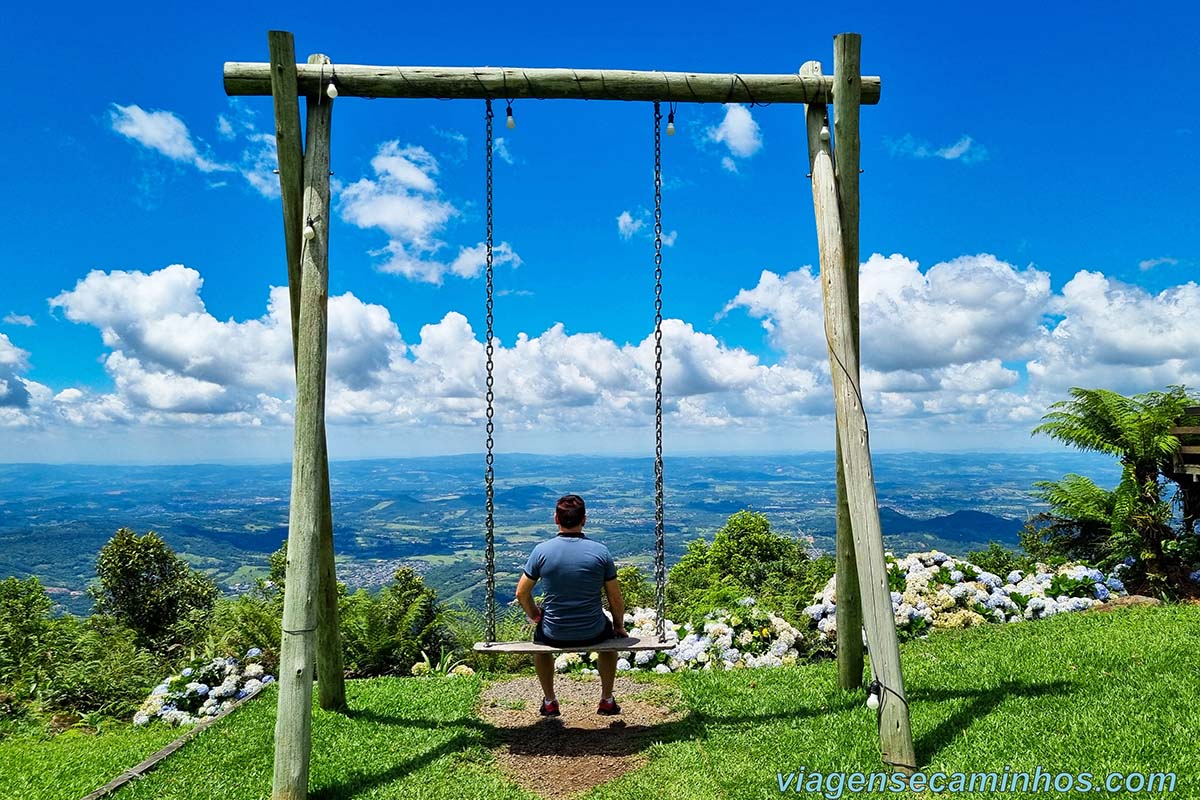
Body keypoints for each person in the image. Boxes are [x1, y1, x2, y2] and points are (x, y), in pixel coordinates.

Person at [516, 494, 628, 717]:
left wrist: (537, 616)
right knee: (610, 641)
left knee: (539, 644)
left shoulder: (541, 551)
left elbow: (521, 593)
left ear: (555, 518)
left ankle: (550, 700)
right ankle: (606, 699)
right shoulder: (600, 552)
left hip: (553, 632)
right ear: (584, 519)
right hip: (593, 630)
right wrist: (618, 626)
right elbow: (615, 599)